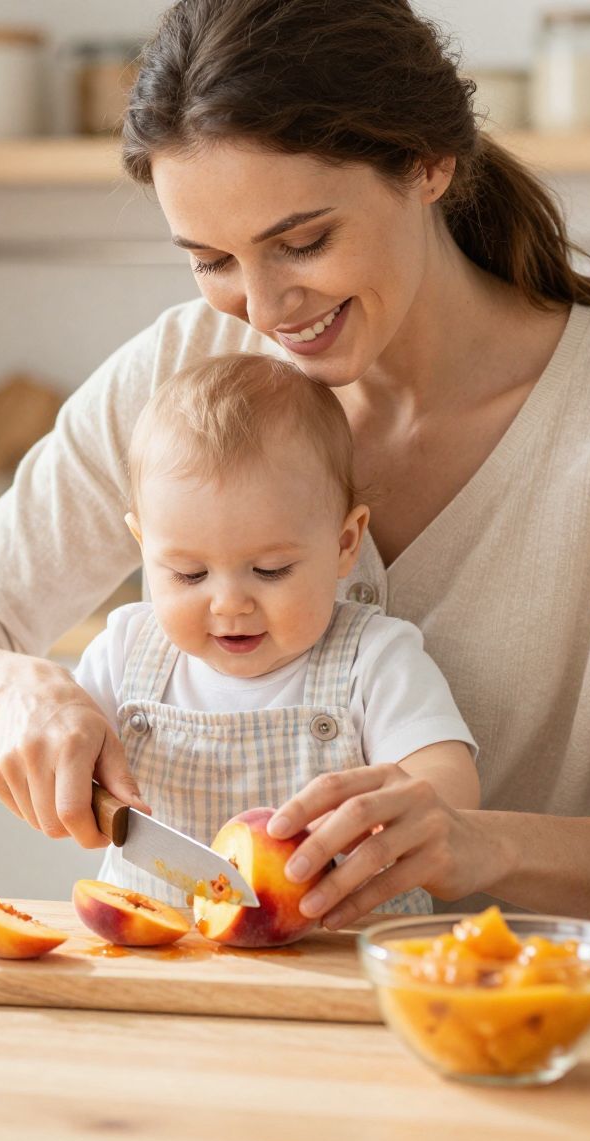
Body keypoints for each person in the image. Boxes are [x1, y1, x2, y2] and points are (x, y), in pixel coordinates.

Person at [0, 0, 590, 930]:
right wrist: (14, 688)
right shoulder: (181, 375)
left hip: (518, 1027)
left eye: (302, 243)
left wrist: (478, 842)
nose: (262, 309)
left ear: (428, 164)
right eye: (213, 260)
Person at [72, 352, 479, 914]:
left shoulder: (375, 659)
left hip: (342, 968)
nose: (230, 603)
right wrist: (53, 756)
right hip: (159, 965)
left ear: (344, 543)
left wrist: (392, 815)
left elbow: (449, 788)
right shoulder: (123, 653)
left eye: (270, 571)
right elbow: (64, 751)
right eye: (188, 574)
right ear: (144, 547)